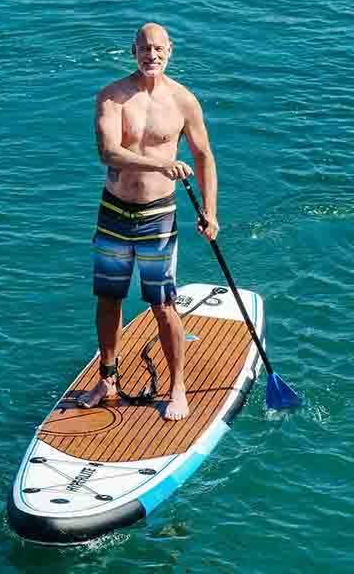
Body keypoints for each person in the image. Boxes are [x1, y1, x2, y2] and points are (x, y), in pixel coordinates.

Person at [77, 22, 219, 421]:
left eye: (158, 49)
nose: (151, 55)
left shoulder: (184, 101)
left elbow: (204, 155)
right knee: (109, 297)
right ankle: (108, 378)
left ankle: (177, 386)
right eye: (143, 48)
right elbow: (108, 152)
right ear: (132, 51)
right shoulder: (112, 96)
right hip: (114, 211)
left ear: (170, 51)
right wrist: (162, 162)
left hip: (158, 216)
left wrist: (210, 211)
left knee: (162, 303)